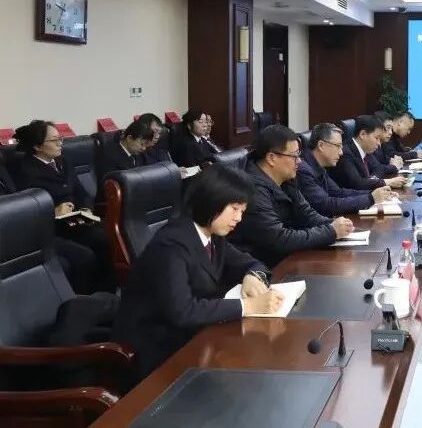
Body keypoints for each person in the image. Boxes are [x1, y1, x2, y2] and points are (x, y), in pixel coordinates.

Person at [113, 165, 285, 379]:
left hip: (195, 336)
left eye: (242, 211)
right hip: (157, 350)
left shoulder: (212, 235)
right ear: (212, 201)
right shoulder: (171, 245)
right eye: (234, 209)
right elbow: (183, 311)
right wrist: (248, 305)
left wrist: (252, 276)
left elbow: (252, 263)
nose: (239, 218)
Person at [230, 125, 354, 267]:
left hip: (285, 258)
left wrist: (334, 224)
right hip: (260, 267)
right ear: (271, 158)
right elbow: (279, 239)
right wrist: (330, 231)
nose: (299, 161)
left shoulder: (286, 179)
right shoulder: (252, 189)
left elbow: (306, 214)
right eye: (294, 156)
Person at [13, 120, 109, 292]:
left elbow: (82, 192)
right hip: (52, 229)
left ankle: (107, 294)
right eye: (54, 140)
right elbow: (27, 210)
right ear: (37, 146)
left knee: (110, 236)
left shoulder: (63, 161)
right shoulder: (26, 171)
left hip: (77, 220)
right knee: (85, 256)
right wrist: (54, 211)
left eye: (61, 138)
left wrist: (86, 208)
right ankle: (85, 299)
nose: (60, 144)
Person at [297, 123, 395, 217]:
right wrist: (371, 198)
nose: (341, 152)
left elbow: (338, 193)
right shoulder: (303, 170)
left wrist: (375, 193)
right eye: (338, 146)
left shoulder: (318, 165)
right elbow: (326, 205)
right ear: (321, 145)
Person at [330, 115, 406, 191]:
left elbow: (379, 168)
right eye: (376, 138)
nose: (378, 143)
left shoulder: (366, 150)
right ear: (363, 134)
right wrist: (387, 182)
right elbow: (358, 184)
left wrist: (370, 180)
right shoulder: (345, 154)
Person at [366, 111, 403, 177]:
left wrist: (392, 160)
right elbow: (378, 168)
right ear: (377, 126)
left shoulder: (382, 143)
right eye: (388, 128)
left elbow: (383, 159)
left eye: (391, 129)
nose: (391, 132)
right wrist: (394, 166)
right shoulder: (369, 145)